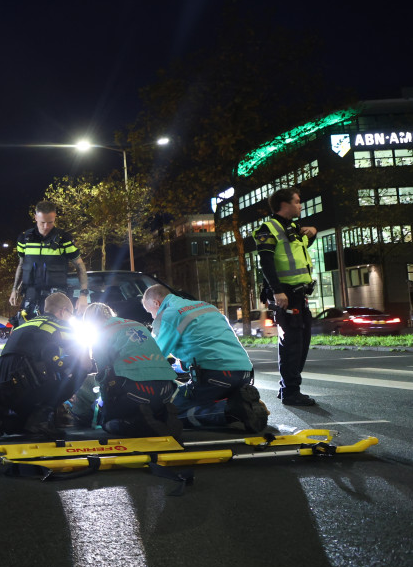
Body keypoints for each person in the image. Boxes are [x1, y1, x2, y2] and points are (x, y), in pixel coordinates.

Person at [141, 285, 268, 432]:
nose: (152, 317)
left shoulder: (169, 314)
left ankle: (231, 410)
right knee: (200, 393)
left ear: (156, 303)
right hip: (244, 373)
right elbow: (205, 344)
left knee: (167, 412)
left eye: (150, 312)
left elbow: (153, 355)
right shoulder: (206, 306)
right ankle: (242, 402)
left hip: (216, 376)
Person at [0, 292, 88, 440]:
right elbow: (78, 355)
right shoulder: (59, 325)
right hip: (25, 385)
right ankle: (43, 416)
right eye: (71, 314)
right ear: (63, 311)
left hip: (0, 385)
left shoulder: (25, 325)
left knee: (25, 426)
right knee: (82, 366)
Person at [81, 303, 181, 438]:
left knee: (107, 422)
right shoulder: (137, 324)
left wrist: (106, 407)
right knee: (148, 403)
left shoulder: (100, 332)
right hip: (167, 390)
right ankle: (162, 416)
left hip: (135, 392)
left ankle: (140, 423)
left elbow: (103, 374)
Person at [256, 187, 318, 407]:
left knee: (301, 344)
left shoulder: (292, 228)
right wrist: (277, 290)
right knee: (291, 344)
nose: (300, 205)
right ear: (285, 204)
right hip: (286, 295)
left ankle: (289, 389)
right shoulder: (268, 229)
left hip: (300, 295)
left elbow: (298, 252)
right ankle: (291, 392)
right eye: (298, 201)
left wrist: (314, 231)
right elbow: (266, 263)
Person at [9, 200, 89, 320]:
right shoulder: (24, 239)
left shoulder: (64, 239)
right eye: (43, 222)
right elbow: (21, 265)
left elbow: (79, 265)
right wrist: (14, 289)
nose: (46, 227)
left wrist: (83, 295)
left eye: (50, 222)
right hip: (30, 298)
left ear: (55, 217)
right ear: (35, 217)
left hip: (57, 300)